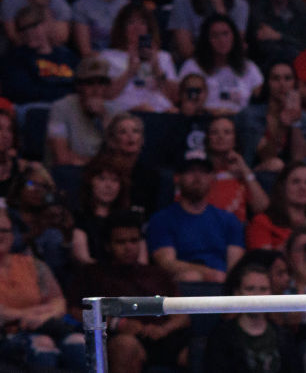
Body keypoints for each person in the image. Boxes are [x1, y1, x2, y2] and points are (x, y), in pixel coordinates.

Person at [67, 209, 189, 373]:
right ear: (108, 246)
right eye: (121, 242)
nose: (129, 247)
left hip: (164, 339)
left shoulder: (158, 274)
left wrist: (163, 329)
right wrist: (118, 323)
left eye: (134, 241)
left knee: (206, 348)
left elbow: (182, 316)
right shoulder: (92, 274)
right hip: (120, 339)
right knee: (125, 345)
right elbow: (76, 311)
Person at [0, 207, 86, 370]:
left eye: (5, 230)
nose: (1, 235)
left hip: (45, 327)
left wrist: (43, 317)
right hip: (7, 335)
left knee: (79, 342)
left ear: (12, 235)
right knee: (42, 346)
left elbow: (58, 302)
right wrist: (30, 315)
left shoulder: (32, 264)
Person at [147, 147, 246, 282]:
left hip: (223, 287)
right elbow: (167, 263)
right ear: (177, 178)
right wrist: (209, 274)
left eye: (203, 172)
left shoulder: (229, 220)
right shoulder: (161, 220)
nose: (197, 177)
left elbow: (235, 267)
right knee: (190, 277)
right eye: (190, 171)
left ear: (212, 178)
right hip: (182, 289)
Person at [205, 263, 300, 373]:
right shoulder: (221, 337)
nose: (256, 295)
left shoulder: (285, 336)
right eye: (250, 289)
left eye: (263, 289)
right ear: (238, 293)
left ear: (271, 294)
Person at [101, 1, 178, 113]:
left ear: (148, 28)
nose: (137, 28)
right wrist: (130, 71)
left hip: (159, 111)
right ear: (122, 28)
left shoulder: (163, 57)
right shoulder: (108, 56)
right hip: (125, 113)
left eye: (142, 23)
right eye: (131, 22)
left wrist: (156, 67)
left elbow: (174, 97)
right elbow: (106, 95)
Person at [179, 14, 263, 115]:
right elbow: (187, 105)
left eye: (225, 34)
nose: (222, 40)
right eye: (215, 36)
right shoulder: (192, 66)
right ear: (206, 40)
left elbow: (259, 102)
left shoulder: (249, 67)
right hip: (203, 120)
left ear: (234, 36)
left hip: (240, 122)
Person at [241, 61, 306, 172]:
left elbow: (299, 159)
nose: (282, 84)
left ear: (295, 83)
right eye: (276, 78)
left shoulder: (304, 117)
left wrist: (295, 122)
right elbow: (265, 156)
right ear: (267, 83)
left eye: (287, 78)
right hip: (257, 171)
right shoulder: (251, 115)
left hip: (291, 175)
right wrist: (281, 127)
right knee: (276, 164)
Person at [1, 5, 77, 104]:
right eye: (23, 29)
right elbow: (22, 92)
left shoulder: (67, 56)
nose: (28, 32)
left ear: (46, 25)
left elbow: (82, 85)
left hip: (70, 107)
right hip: (37, 107)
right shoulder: (15, 58)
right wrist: (64, 96)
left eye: (33, 26)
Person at [44, 56, 108, 167]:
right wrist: (100, 165)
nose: (96, 89)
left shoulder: (112, 110)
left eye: (101, 82)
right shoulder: (61, 107)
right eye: (90, 83)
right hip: (68, 174)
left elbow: (120, 156)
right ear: (79, 86)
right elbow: (61, 157)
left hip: (103, 177)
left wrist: (103, 117)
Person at [69, 153, 132, 264]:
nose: (108, 186)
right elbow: (82, 258)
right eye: (102, 179)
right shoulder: (79, 219)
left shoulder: (129, 218)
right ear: (90, 182)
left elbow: (141, 261)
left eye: (115, 180)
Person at [206, 116, 270, 224]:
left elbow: (262, 207)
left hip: (236, 231)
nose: (220, 136)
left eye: (227, 132)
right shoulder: (198, 170)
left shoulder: (243, 173)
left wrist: (244, 168)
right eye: (214, 132)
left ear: (235, 139)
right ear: (208, 138)